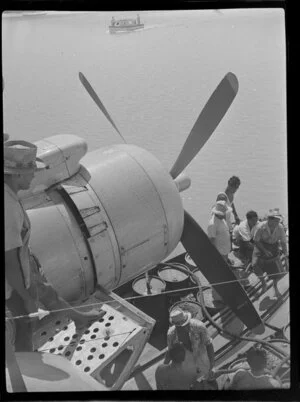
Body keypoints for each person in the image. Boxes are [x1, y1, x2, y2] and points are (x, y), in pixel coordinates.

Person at [5, 140, 106, 352]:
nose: (34, 175)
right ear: (16, 174)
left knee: (47, 291)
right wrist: (26, 299)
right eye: (31, 170)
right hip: (13, 284)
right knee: (24, 326)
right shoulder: (8, 207)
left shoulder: (9, 194)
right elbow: (9, 264)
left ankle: (78, 318)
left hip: (23, 264)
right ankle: (28, 372)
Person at [165, 309, 215, 381]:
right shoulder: (171, 334)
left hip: (203, 358)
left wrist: (212, 366)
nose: (184, 328)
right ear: (175, 325)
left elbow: (209, 344)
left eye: (186, 324)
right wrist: (164, 367)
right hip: (187, 364)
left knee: (210, 381)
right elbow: (170, 351)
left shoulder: (199, 326)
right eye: (180, 327)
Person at [252, 209, 288, 297]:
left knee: (278, 272)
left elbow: (283, 242)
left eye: (279, 220)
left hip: (273, 247)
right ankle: (264, 283)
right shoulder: (261, 227)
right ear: (270, 219)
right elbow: (256, 241)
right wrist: (264, 250)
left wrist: (286, 255)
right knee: (255, 266)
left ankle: (275, 287)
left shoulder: (280, 228)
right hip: (261, 247)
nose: (278, 221)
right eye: (276, 220)